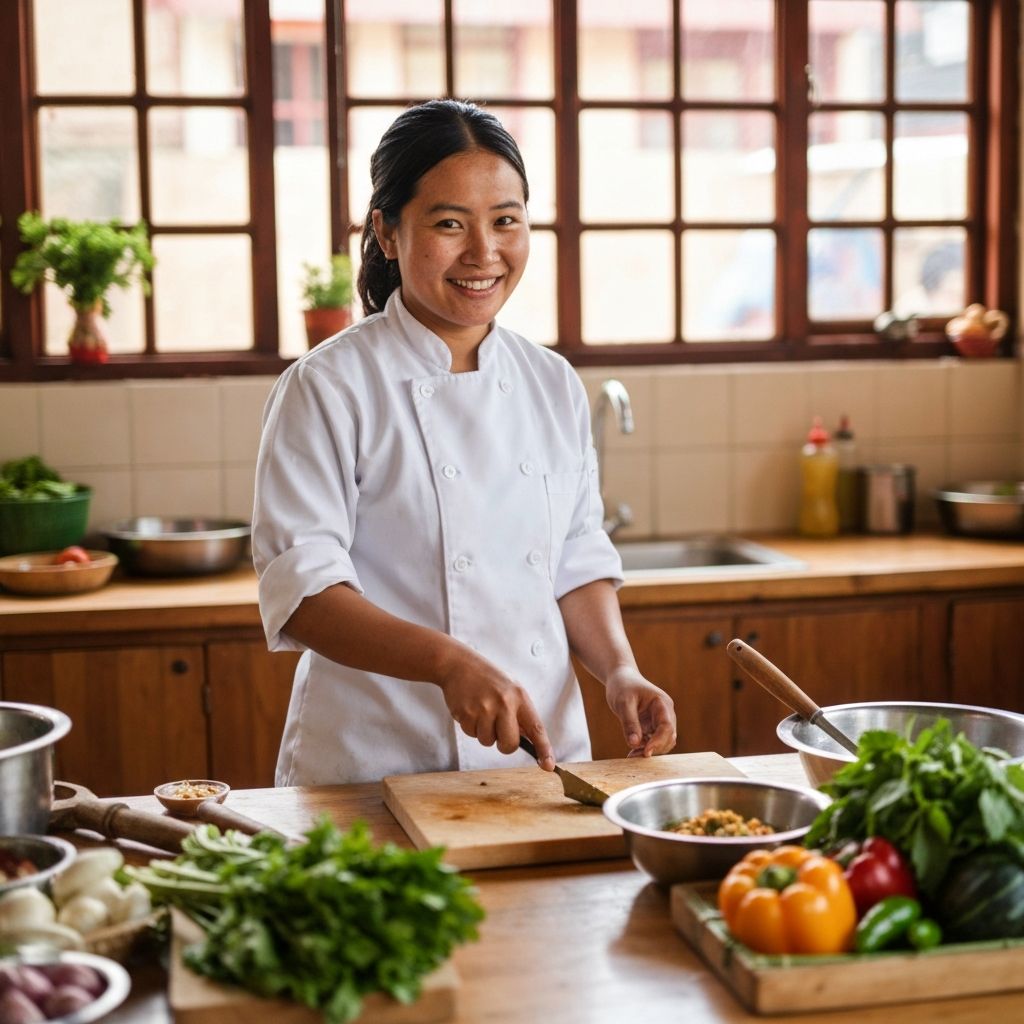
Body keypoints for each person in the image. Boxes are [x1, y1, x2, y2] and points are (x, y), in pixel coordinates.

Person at [252, 99, 676, 786]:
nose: (484, 253)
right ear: (387, 233)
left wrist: (619, 670)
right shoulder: (328, 385)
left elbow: (574, 556)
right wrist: (449, 663)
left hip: (538, 761)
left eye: (506, 221)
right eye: (449, 224)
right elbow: (304, 594)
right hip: (373, 763)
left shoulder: (551, 383)